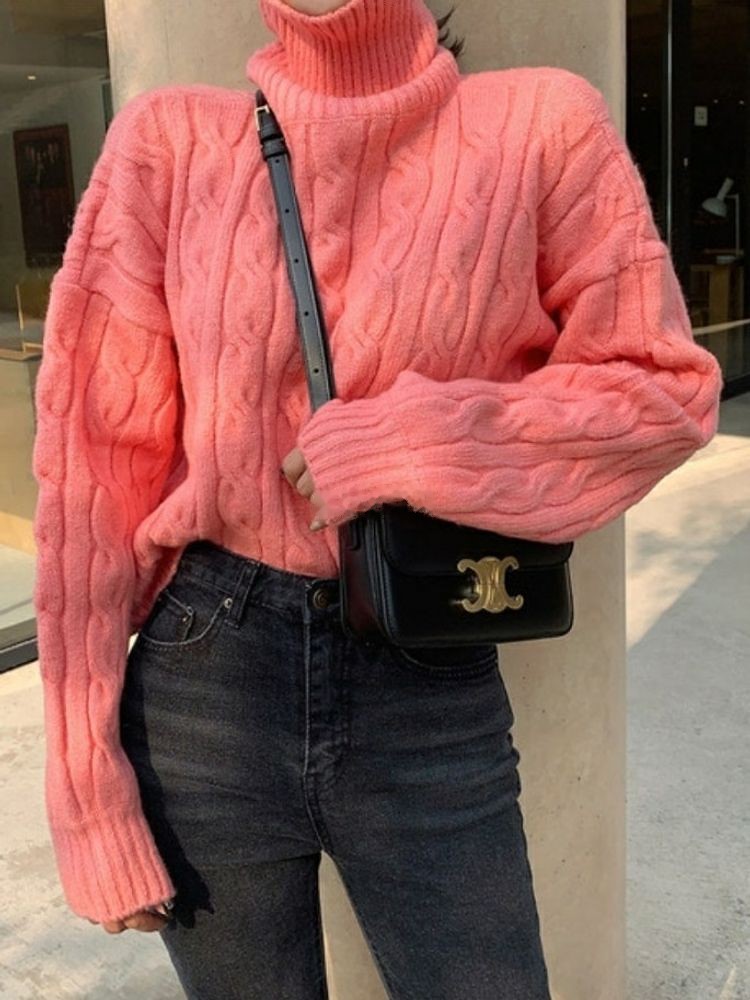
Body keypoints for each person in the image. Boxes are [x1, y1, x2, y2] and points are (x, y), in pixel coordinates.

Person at [31, 0, 723, 996]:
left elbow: (662, 393)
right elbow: (90, 478)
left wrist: (415, 440)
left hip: (424, 678)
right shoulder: (168, 144)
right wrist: (87, 792)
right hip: (206, 677)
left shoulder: (541, 127)